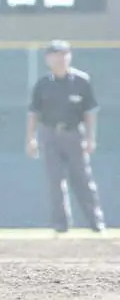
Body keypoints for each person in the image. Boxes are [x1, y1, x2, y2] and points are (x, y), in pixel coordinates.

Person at [26, 40, 106, 234]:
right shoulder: (43, 84)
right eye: (55, 55)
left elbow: (89, 112)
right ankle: (61, 225)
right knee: (55, 181)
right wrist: (30, 138)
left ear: (70, 56)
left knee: (83, 180)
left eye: (64, 54)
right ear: (48, 59)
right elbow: (34, 113)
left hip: (73, 134)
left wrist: (90, 137)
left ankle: (95, 223)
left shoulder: (81, 81)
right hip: (50, 134)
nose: (60, 58)